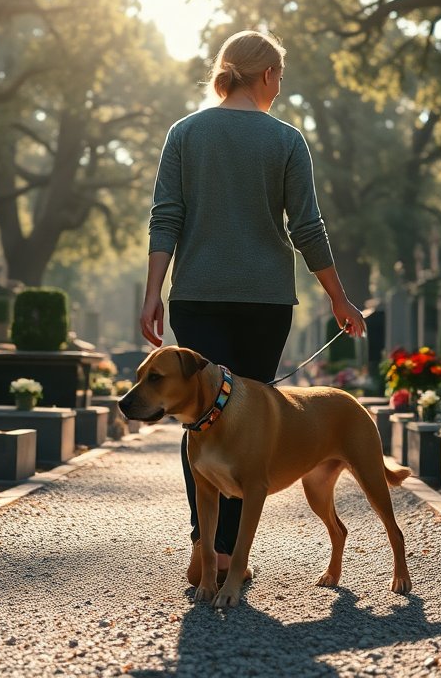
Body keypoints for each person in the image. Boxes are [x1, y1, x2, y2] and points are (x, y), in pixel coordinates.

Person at [139, 29, 367, 584]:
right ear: (266, 75)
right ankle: (224, 555)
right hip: (265, 303)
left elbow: (165, 216)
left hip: (196, 297)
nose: (280, 88)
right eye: (280, 77)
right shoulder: (286, 140)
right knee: (249, 430)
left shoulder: (184, 133)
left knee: (200, 421)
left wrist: (152, 294)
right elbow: (307, 228)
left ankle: (206, 549)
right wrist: (338, 298)